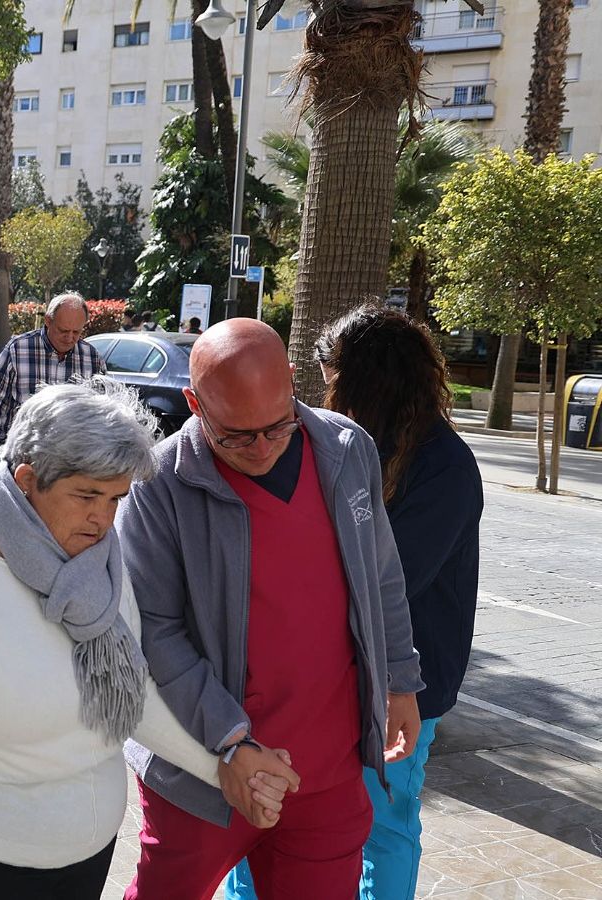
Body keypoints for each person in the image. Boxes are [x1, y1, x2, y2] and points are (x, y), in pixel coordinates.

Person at [0, 382, 296, 900]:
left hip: (83, 861)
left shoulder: (99, 558)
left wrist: (223, 766)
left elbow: (129, 690)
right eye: (86, 495)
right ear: (26, 481)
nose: (104, 519)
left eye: (115, 498)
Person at [117, 318, 424, 900]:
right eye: (235, 435)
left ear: (292, 381)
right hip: (205, 772)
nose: (261, 448)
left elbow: (381, 574)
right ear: (193, 402)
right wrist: (231, 742)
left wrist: (400, 681)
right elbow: (153, 633)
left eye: (276, 425)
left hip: (326, 769)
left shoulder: (346, 448)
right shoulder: (158, 484)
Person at [224, 305, 483, 900]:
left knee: (385, 826)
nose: (324, 385)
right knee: (272, 815)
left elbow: (387, 581)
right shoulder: (348, 446)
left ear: (367, 376)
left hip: (402, 685)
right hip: (328, 678)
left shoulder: (443, 465)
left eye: (330, 370)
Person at [0, 292, 105, 467]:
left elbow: (102, 410)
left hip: (71, 464)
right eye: (63, 330)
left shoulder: (91, 357)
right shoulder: (18, 350)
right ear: (48, 321)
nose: (70, 338)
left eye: (77, 332)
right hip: (22, 459)